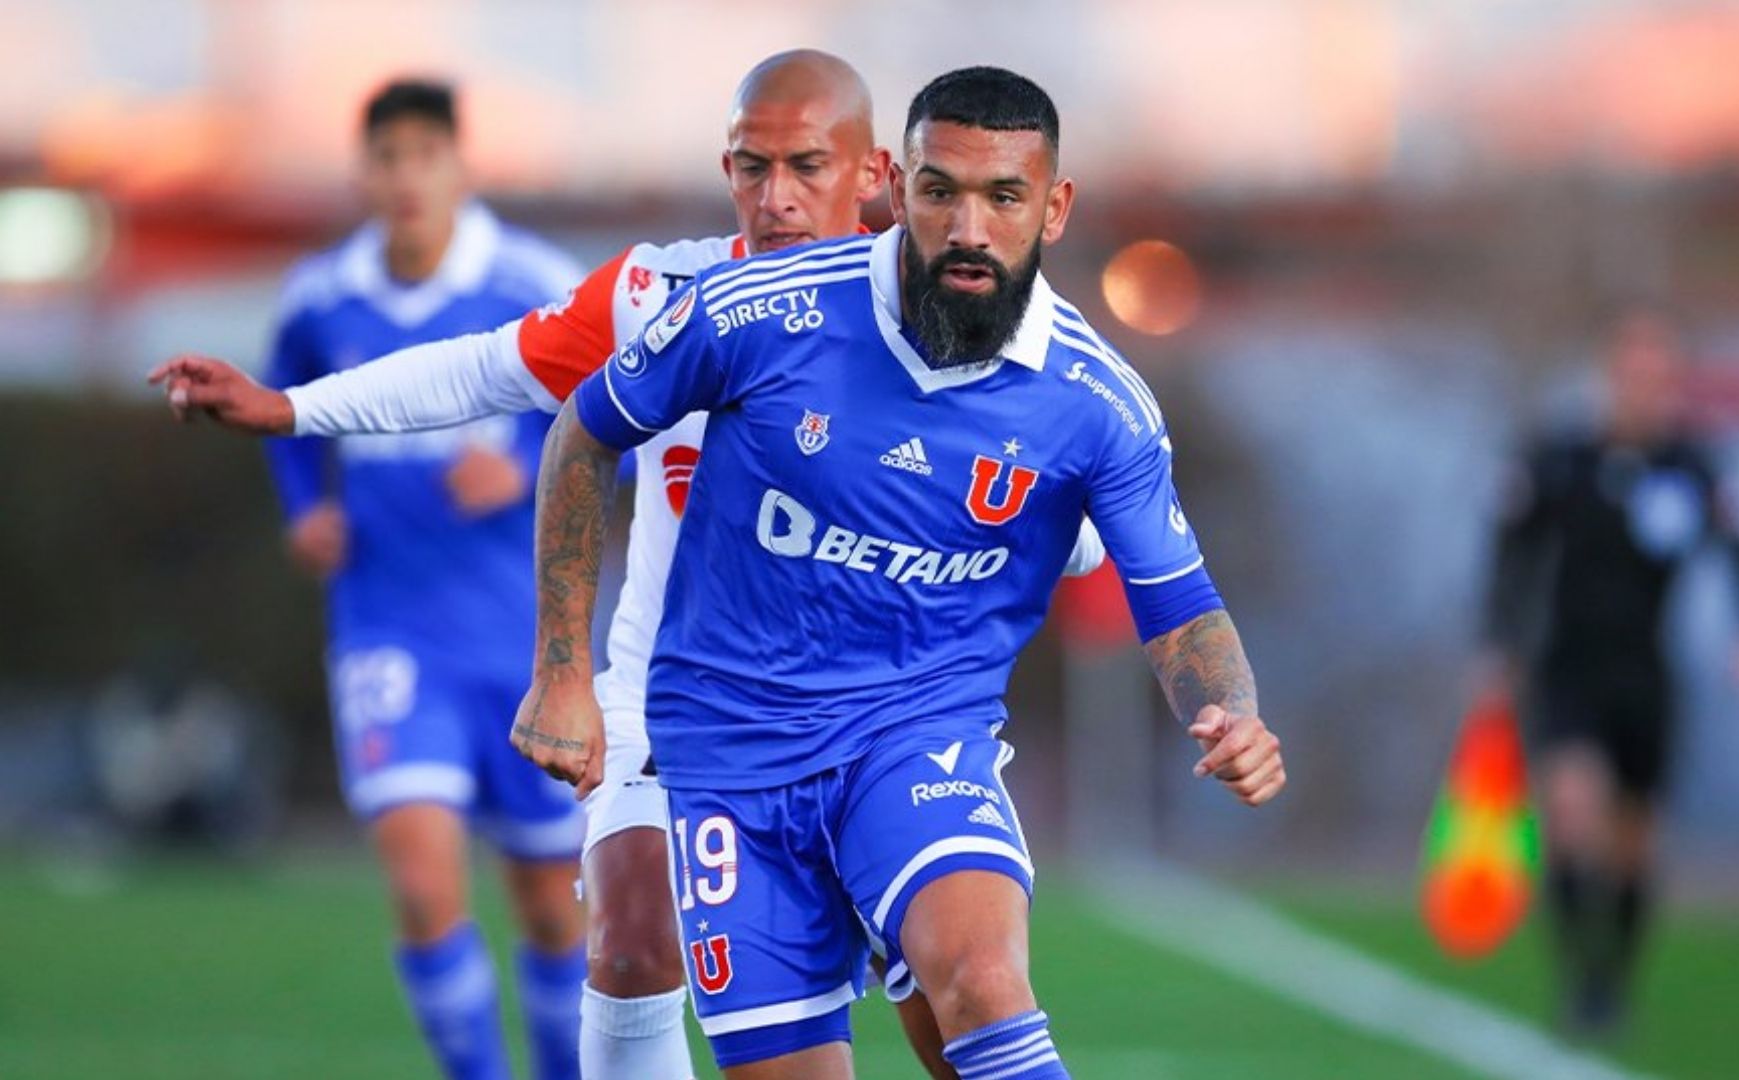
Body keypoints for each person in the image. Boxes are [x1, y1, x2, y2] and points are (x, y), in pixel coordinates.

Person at [152, 51, 1101, 1079]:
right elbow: (489, 368)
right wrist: (294, 410)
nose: (775, 198)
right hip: (676, 704)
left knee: (958, 1023)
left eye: (807, 167)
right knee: (632, 942)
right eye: (752, 166)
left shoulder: (947, 316)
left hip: (882, 718)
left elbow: (1070, 509)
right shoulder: (664, 290)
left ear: (873, 172)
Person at [513, 66, 1285, 1079]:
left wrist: (1230, 708)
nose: (968, 225)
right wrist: (562, 671)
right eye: (941, 190)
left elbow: (1179, 606)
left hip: (915, 741)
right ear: (900, 188)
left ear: (1053, 209)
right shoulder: (757, 313)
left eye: (1003, 196)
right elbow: (583, 433)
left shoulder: (1097, 403)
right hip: (730, 757)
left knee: (978, 981)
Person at [257, 79, 588, 1080]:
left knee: (549, 904)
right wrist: (302, 506)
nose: (405, 179)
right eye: (386, 158)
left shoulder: (531, 277)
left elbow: (607, 397)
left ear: (460, 165)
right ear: (364, 172)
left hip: (527, 641)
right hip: (388, 628)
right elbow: (281, 402)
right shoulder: (322, 297)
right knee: (422, 882)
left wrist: (530, 458)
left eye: (423, 156)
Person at [1482, 306, 1739, 1036]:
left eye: (1659, 374)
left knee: (1636, 837)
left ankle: (1616, 976)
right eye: (1632, 372)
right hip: (1570, 668)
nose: (1646, 387)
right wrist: (1498, 644)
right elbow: (1511, 550)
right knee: (1574, 811)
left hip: (1646, 676)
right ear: (1609, 376)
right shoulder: (1562, 457)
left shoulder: (1693, 466)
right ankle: (1581, 975)